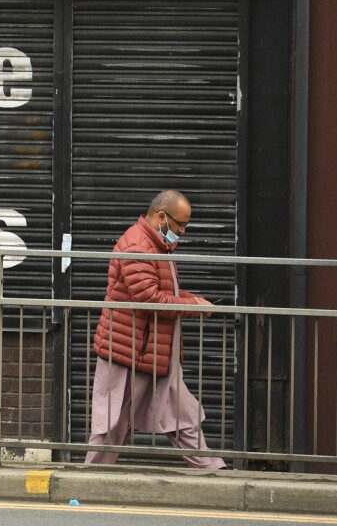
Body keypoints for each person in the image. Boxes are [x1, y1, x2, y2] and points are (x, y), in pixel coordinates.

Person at [85, 189, 227, 469]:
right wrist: (191, 306)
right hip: (129, 352)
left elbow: (162, 291)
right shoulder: (137, 246)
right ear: (162, 217)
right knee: (114, 423)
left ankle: (213, 470)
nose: (182, 231)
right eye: (180, 224)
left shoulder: (157, 245)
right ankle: (91, 477)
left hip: (153, 352)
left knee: (181, 416)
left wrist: (192, 299)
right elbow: (148, 298)